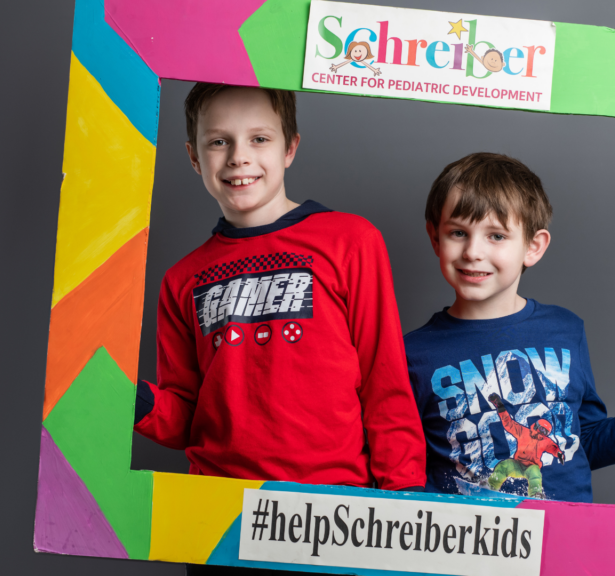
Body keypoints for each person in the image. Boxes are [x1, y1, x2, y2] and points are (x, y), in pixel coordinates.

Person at [133, 83, 426, 497]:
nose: (239, 157)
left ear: (289, 147)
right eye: (219, 141)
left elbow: (385, 382)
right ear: (194, 158)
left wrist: (404, 494)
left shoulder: (351, 240)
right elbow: (185, 417)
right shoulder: (182, 279)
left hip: (331, 508)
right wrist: (127, 398)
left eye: (259, 139)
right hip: (215, 511)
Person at [405, 152, 615, 503]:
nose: (472, 251)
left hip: (561, 544)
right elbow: (399, 465)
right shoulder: (412, 354)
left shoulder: (565, 331)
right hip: (460, 547)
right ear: (435, 238)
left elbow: (584, 442)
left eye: (496, 236)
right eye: (458, 232)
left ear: (533, 247)